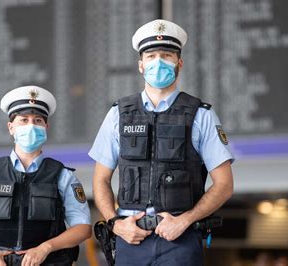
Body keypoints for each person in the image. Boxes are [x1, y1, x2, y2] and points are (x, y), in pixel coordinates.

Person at [89, 19, 234, 265]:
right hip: (129, 239)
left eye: (166, 55)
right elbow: (100, 179)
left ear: (180, 63)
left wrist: (184, 220)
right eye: (151, 55)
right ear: (141, 65)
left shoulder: (201, 114)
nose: (158, 62)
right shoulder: (118, 113)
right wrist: (115, 224)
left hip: (180, 240)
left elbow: (224, 185)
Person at [0, 86, 91, 265]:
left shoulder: (62, 175)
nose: (31, 126)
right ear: (11, 127)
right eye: (24, 120)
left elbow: (83, 228)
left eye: (37, 120)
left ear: (46, 127)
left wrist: (45, 248)